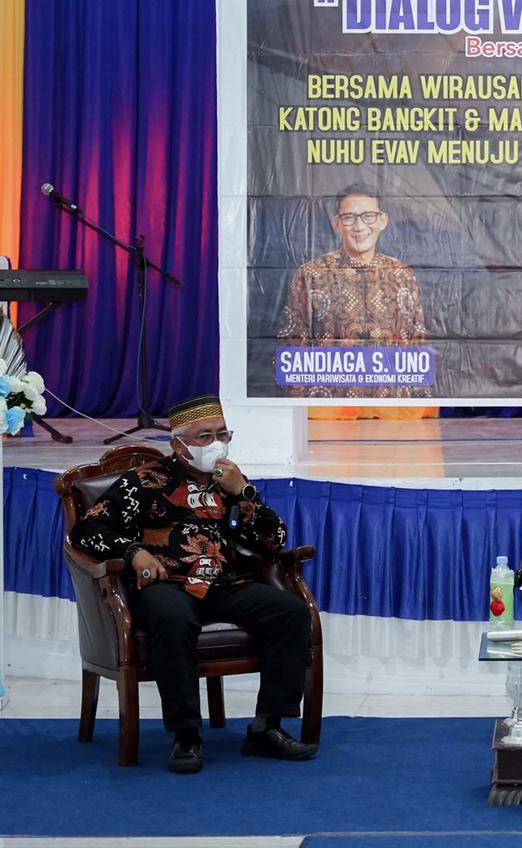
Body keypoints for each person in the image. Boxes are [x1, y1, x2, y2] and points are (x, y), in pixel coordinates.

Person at [70, 396, 318, 773]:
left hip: (223, 582)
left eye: (222, 434)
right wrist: (134, 552)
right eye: (205, 437)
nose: (216, 444)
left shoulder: (227, 481)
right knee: (173, 618)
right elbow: (88, 530)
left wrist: (243, 492)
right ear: (178, 444)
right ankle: (186, 735)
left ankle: (266, 727)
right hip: (167, 583)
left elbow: (275, 540)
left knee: (291, 612)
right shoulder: (144, 481)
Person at [276, 183, 428, 398]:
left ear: (383, 220)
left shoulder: (402, 275)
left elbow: (417, 348)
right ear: (337, 224)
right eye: (349, 217)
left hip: (390, 408)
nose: (359, 226)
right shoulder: (311, 275)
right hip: (329, 408)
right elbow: (291, 350)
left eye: (368, 216)